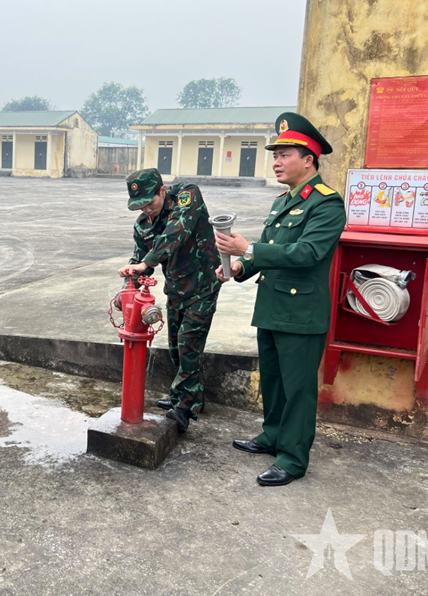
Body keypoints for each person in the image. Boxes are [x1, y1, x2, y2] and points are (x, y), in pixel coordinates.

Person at [215, 112, 346, 487]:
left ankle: (292, 458)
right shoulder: (282, 202)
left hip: (301, 313)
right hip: (272, 307)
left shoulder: (327, 204)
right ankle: (272, 436)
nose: (276, 162)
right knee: (272, 382)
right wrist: (240, 266)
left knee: (298, 389)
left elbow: (307, 253)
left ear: (309, 160)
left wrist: (249, 249)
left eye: (285, 154)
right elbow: (270, 249)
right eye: (275, 155)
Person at [118, 168, 222, 433]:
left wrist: (147, 263)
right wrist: (126, 291)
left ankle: (184, 408)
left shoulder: (187, 196)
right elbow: (137, 259)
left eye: (149, 203)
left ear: (162, 191)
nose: (146, 210)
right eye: (139, 206)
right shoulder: (143, 225)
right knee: (176, 346)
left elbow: (176, 232)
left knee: (189, 344)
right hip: (176, 288)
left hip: (203, 284)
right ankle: (188, 396)